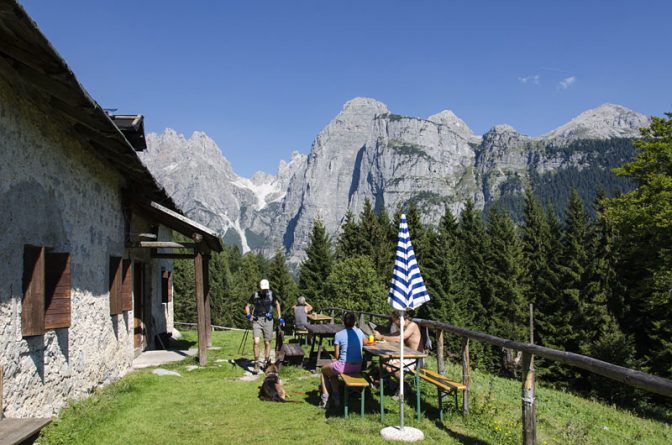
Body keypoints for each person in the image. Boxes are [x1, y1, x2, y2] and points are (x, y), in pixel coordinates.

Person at [319, 311, 365, 409]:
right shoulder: (360, 332)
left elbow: (336, 355)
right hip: (358, 366)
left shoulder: (339, 334)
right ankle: (336, 399)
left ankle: (325, 399)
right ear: (355, 321)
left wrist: (336, 359)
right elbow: (365, 342)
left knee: (323, 371)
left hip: (344, 366)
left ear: (343, 322)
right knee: (332, 373)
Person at [373, 310, 423, 385]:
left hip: (416, 358)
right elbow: (393, 335)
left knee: (394, 367)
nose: (393, 323)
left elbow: (398, 339)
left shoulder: (412, 325)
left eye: (394, 320)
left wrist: (380, 337)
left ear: (399, 319)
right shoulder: (404, 327)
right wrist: (379, 336)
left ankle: (405, 386)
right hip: (407, 356)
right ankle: (392, 384)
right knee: (384, 363)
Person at [245, 279, 283, 373]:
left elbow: (277, 304)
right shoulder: (255, 295)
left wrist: (279, 317)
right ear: (260, 288)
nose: (264, 291)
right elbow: (247, 306)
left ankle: (266, 361)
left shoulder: (271, 294)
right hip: (257, 320)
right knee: (256, 342)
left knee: (267, 342)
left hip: (268, 321)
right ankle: (256, 363)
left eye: (266, 289)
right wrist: (249, 315)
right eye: (263, 289)